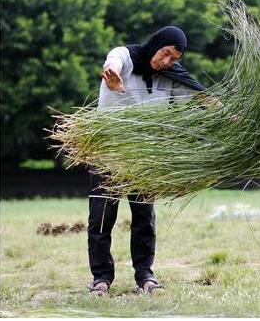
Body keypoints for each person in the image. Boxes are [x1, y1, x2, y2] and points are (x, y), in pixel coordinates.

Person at [88, 26, 215, 296]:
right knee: (102, 217)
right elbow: (114, 60)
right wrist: (112, 74)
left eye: (174, 59)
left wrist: (233, 117)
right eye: (165, 53)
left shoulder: (169, 77)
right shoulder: (126, 56)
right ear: (156, 44)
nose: (167, 61)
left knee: (144, 218)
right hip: (108, 151)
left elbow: (201, 98)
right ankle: (101, 278)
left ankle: (145, 275)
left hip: (145, 157)